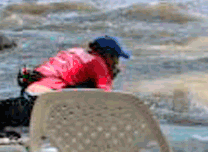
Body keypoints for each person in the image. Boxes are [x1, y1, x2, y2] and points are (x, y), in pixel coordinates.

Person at [0, 35, 130, 131]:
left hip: (30, 91)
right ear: (108, 55)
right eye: (116, 58)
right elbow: (107, 98)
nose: (117, 63)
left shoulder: (73, 52)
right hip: (44, 101)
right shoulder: (98, 63)